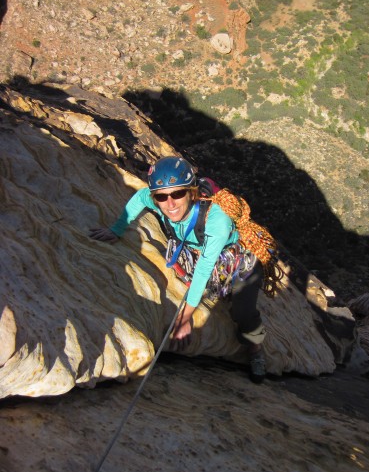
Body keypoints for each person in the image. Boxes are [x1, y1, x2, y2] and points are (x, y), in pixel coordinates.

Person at [89, 156, 267, 383]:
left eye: (177, 194)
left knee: (243, 312)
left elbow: (204, 269)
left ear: (191, 192)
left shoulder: (216, 221)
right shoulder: (157, 199)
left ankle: (256, 349)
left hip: (236, 261)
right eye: (162, 197)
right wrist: (117, 230)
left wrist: (184, 319)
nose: (170, 204)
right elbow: (140, 198)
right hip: (196, 252)